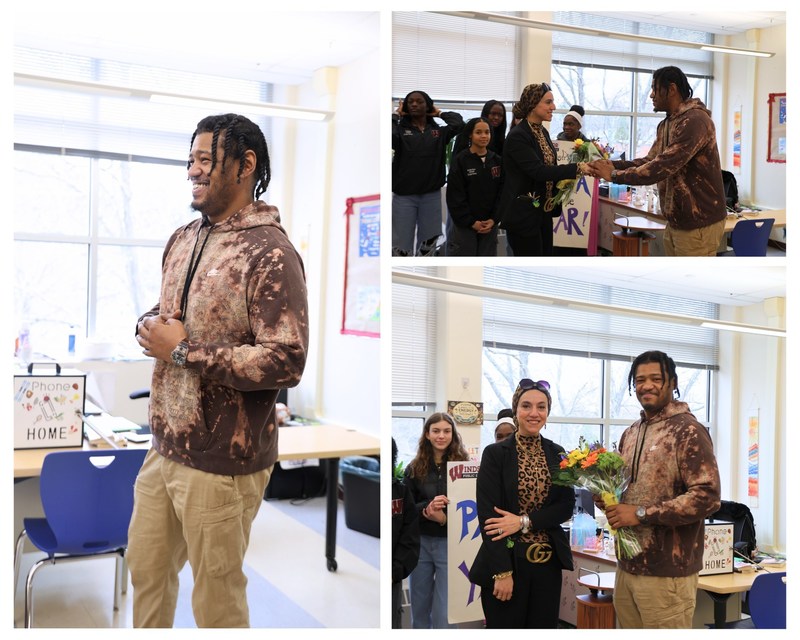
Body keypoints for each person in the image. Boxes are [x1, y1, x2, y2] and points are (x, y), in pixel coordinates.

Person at [129, 113, 309, 628]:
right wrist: (151, 327)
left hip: (223, 460)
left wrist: (184, 352)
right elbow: (175, 318)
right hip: (163, 446)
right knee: (146, 574)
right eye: (191, 160)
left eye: (205, 160)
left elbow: (286, 359)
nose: (193, 171)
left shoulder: (270, 252)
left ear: (246, 164)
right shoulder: (183, 238)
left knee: (216, 600)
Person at [599, 350, 721, 628]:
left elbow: (708, 497)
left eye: (656, 378)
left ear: (673, 382)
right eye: (640, 379)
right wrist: (604, 497)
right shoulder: (630, 433)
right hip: (627, 567)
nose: (647, 385)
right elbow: (623, 492)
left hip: (668, 573)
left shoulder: (688, 430)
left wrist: (640, 513)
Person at [587, 66, 727, 256]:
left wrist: (613, 175)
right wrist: (613, 165)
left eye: (655, 89)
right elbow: (650, 159)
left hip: (699, 221)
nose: (651, 95)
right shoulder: (668, 123)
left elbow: (660, 167)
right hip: (677, 220)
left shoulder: (695, 121)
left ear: (671, 89)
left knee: (689, 283)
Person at [470, 379, 574, 628]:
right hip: (508, 563)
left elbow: (565, 507)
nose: (534, 413)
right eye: (526, 406)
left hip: (547, 565)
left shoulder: (558, 453)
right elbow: (488, 517)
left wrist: (523, 522)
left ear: (548, 413)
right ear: (516, 410)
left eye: (541, 407)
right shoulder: (496, 454)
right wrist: (502, 573)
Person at [498, 83, 590, 256]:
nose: (553, 107)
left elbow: (551, 168)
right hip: (525, 215)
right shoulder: (519, 136)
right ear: (533, 105)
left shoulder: (542, 132)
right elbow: (538, 171)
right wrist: (578, 167)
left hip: (542, 212)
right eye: (548, 102)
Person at [403, 412, 470, 628]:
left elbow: (470, 506)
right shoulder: (413, 468)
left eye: (446, 431)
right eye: (436, 431)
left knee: (445, 613)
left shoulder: (465, 467)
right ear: (427, 434)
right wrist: (427, 509)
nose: (441, 436)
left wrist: (444, 519)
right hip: (420, 544)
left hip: (451, 545)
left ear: (453, 434)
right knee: (420, 609)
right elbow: (406, 508)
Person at [392, 90, 465, 256]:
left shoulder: (438, 132)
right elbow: (389, 135)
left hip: (430, 197)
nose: (415, 104)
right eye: (410, 102)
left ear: (428, 105)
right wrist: (397, 114)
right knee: (400, 247)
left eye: (419, 101)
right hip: (404, 198)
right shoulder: (400, 130)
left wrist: (439, 112)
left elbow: (458, 124)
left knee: (428, 247)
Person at [445, 117, 503, 256]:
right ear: (470, 134)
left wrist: (494, 219)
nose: (484, 136)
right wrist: (471, 222)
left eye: (487, 132)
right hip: (465, 226)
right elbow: (455, 196)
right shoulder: (460, 161)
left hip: (490, 225)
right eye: (479, 132)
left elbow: (502, 193)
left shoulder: (497, 161)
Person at [392, 437, 420, 629]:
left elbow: (409, 534)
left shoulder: (400, 492)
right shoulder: (413, 469)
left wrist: (396, 570)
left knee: (393, 619)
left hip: (393, 573)